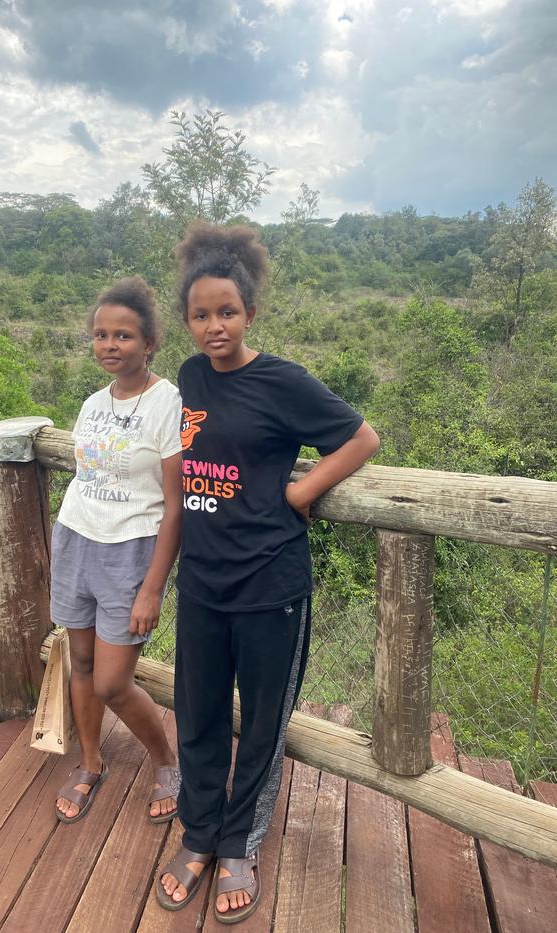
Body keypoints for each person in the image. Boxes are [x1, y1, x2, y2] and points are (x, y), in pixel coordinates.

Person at [157, 225, 380, 924]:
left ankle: (237, 846)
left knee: (259, 724)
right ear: (187, 320)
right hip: (201, 581)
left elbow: (360, 436)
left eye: (227, 311)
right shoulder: (190, 378)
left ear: (250, 313)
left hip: (270, 584)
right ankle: (197, 834)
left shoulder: (280, 379)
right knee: (195, 713)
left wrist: (301, 491)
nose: (214, 325)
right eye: (201, 314)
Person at [52, 276, 182, 825]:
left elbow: (174, 505)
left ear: (149, 342)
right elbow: (87, 476)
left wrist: (153, 586)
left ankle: (167, 761)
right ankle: (89, 762)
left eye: (124, 336)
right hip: (76, 539)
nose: (110, 345)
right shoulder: (91, 404)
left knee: (112, 681)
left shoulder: (167, 401)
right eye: (101, 335)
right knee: (79, 662)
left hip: (130, 551)